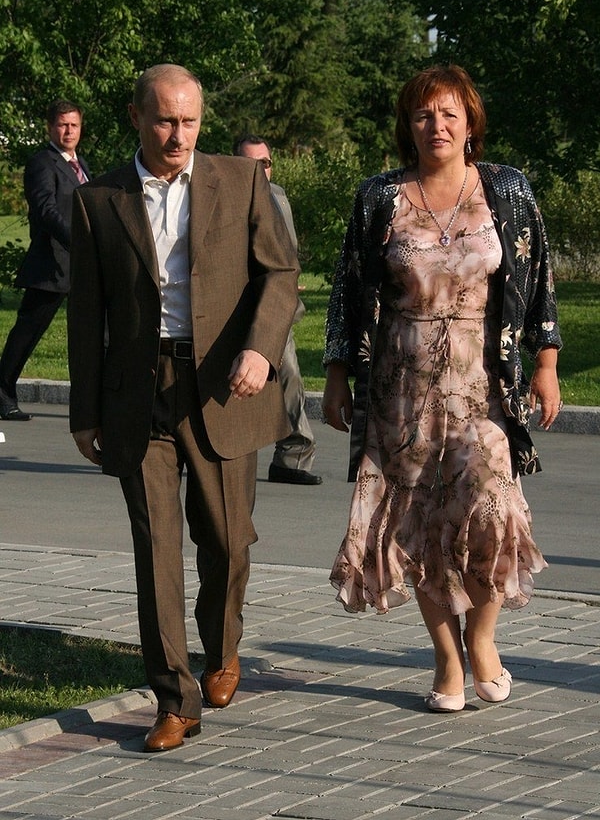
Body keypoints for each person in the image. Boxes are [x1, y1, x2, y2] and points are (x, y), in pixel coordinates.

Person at [68, 64, 299, 751]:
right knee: (156, 548)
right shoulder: (98, 200)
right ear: (136, 116)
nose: (179, 135)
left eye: (190, 121)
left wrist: (261, 349)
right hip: (138, 393)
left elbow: (280, 274)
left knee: (226, 540)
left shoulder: (241, 180)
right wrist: (85, 410)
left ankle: (222, 647)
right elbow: (86, 313)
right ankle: (174, 698)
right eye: (166, 120)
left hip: (223, 385)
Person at [322, 64, 562, 713]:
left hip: (484, 385)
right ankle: (446, 657)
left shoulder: (506, 190)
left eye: (450, 113)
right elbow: (348, 289)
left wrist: (545, 363)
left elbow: (538, 277)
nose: (438, 125)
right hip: (401, 388)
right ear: (408, 124)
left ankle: (481, 638)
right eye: (425, 114)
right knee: (419, 524)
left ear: (470, 123)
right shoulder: (380, 197)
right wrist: (339, 373)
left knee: (492, 510)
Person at [233, 135, 322, 485]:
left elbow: (288, 253)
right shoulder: (222, 199)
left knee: (288, 377)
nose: (260, 170)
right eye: (250, 164)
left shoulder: (279, 197)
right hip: (233, 308)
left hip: (274, 308)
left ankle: (293, 456)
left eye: (265, 164)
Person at [0, 100, 90, 421]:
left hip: (80, 266)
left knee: (97, 332)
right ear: (50, 128)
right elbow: (46, 211)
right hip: (51, 264)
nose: (69, 131)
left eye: (74, 125)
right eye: (62, 125)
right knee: (28, 332)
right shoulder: (42, 163)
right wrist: (78, 242)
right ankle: (2, 392)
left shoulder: (80, 165)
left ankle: (97, 400)